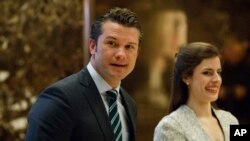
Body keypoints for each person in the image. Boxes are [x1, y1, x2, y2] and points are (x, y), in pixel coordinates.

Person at [25, 7, 142, 141]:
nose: (121, 54)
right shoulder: (60, 99)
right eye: (112, 43)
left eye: (129, 47)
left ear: (137, 53)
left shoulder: (129, 103)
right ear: (92, 46)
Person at [153, 42, 239, 141]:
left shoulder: (231, 120)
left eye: (218, 72)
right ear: (186, 77)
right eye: (207, 73)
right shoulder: (170, 127)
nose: (217, 79)